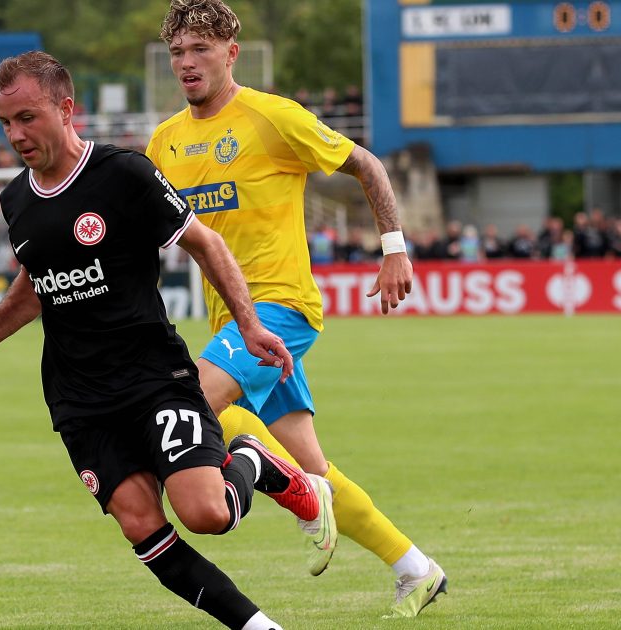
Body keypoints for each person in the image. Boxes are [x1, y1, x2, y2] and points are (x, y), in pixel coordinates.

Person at [0, 51, 335, 630]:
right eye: (5, 124)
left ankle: (252, 459)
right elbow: (34, 284)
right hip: (79, 397)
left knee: (205, 514)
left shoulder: (124, 174)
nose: (15, 135)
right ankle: (257, 627)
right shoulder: (15, 200)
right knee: (139, 522)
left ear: (65, 108)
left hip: (152, 377)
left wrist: (248, 323)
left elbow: (208, 244)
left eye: (26, 118)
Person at [147, 0, 444, 619]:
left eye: (200, 49)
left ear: (231, 54)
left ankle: (278, 483)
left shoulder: (272, 118)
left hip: (281, 309)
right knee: (314, 464)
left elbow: (366, 164)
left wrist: (394, 248)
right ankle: (415, 568)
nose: (187, 63)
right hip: (233, 324)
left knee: (191, 409)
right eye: (178, 52)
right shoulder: (165, 142)